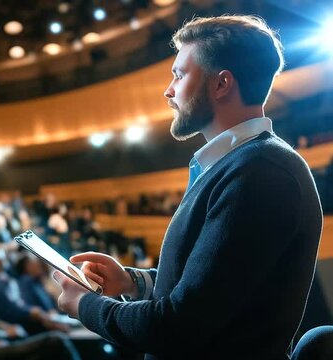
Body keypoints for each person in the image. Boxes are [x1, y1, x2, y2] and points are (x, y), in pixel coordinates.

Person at [52, 15, 322, 360]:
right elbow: (212, 289)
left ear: (222, 83)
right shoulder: (242, 165)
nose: (168, 90)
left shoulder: (260, 174)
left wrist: (84, 304)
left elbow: (176, 328)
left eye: (179, 75)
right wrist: (134, 284)